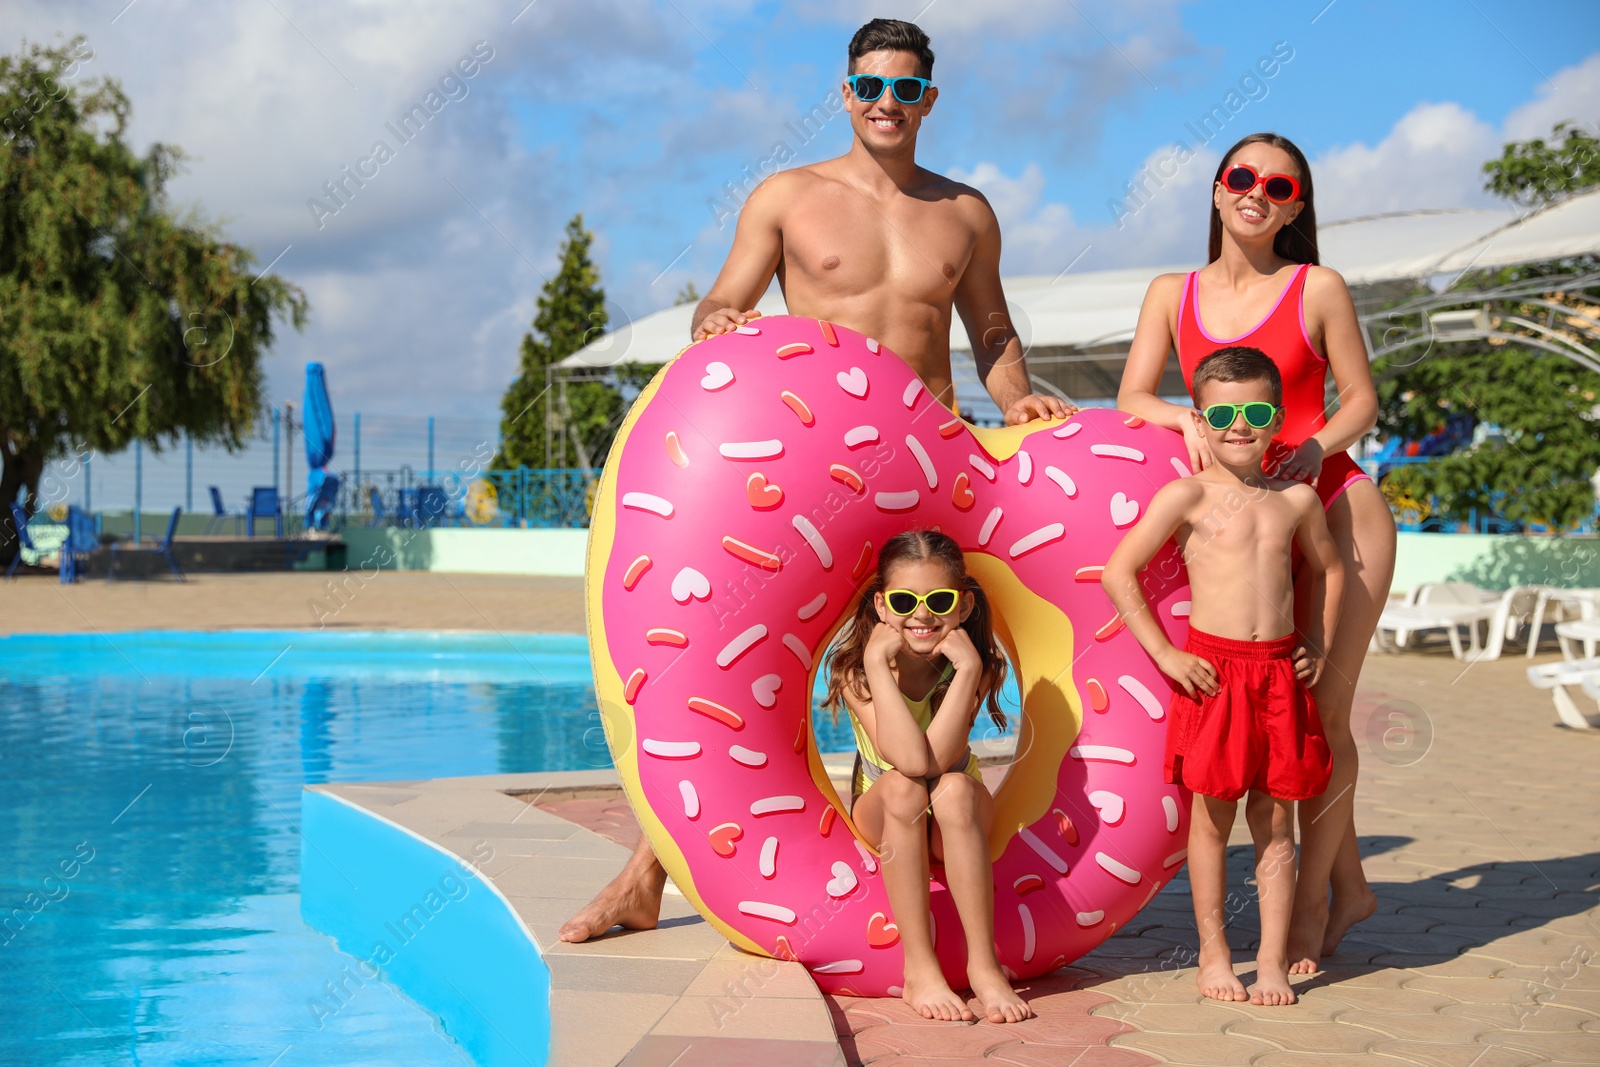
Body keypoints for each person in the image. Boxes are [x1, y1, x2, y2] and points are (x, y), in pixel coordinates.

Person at [560, 17, 1074, 945]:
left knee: (920, 669)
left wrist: (1020, 399)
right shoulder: (789, 197)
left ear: (930, 99)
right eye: (870, 87)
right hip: (816, 477)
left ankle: (925, 866)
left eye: (906, 89)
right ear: (845, 94)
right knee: (730, 678)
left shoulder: (965, 213)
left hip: (928, 471)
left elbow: (991, 330)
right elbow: (724, 301)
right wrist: (719, 323)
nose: (887, 103)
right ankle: (644, 876)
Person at [1116, 132, 1393, 973]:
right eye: (1242, 178)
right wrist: (1185, 421)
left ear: (1296, 205)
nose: (1257, 193)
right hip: (1238, 514)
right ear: (1215, 189)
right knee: (1283, 732)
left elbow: (1363, 399)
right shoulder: (1173, 291)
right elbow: (1136, 392)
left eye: (1279, 186)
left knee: (1326, 716)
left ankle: (1311, 910)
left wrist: (1315, 447)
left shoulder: (1318, 287)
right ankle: (1349, 888)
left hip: (1331, 505)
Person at [1102, 347, 1345, 1006]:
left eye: (1257, 412)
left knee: (1274, 822)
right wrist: (1165, 654)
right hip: (1213, 673)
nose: (1241, 425)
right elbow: (1118, 572)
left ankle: (1268, 960)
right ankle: (1213, 952)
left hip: (1278, 676)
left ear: (1276, 419)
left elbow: (1329, 568)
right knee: (1210, 821)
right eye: (1224, 413)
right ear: (1201, 421)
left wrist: (1317, 640)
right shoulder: (1187, 493)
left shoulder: (1296, 498)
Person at [822, 529, 1030, 1023]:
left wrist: (967, 668)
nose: (922, 614)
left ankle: (984, 965)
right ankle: (920, 967)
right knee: (903, 786)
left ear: (961, 607)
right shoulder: (855, 671)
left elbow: (939, 760)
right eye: (904, 600)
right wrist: (875, 659)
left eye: (939, 599)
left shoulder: (975, 666)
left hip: (956, 815)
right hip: (887, 805)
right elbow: (910, 763)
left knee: (953, 788)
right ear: (881, 606)